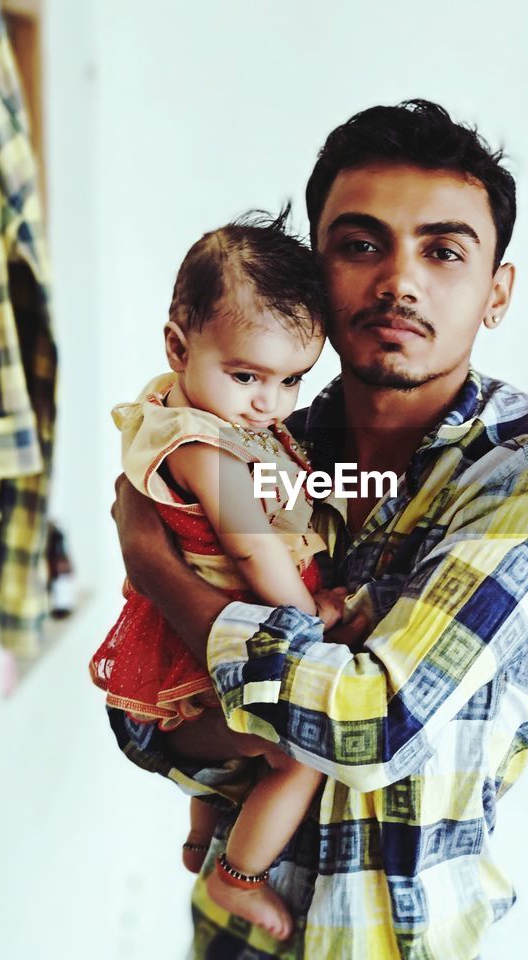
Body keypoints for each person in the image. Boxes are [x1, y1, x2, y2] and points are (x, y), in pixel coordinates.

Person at [109, 100, 528, 959]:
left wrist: (163, 576)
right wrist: (230, 702)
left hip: (396, 941)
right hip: (235, 937)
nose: (400, 282)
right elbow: (147, 727)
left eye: (444, 251)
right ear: (314, 274)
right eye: (361, 244)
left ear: (497, 293)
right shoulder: (264, 444)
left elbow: (372, 726)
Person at [90, 212, 351, 940]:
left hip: (193, 627)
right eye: (247, 376)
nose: (270, 403)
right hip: (229, 628)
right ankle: (239, 878)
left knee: (219, 745)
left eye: (293, 380)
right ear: (178, 345)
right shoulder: (210, 449)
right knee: (299, 756)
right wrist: (308, 617)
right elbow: (254, 552)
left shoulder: (182, 405)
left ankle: (198, 834)